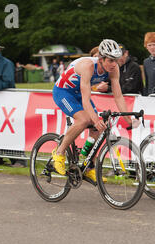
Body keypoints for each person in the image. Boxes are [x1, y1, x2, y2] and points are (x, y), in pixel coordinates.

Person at [52, 39, 133, 181]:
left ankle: (88, 165)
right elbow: (85, 99)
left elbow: (118, 96)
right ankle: (59, 152)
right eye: (110, 60)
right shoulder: (88, 66)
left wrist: (128, 119)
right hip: (64, 92)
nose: (114, 64)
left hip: (79, 93)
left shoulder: (113, 69)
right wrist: (94, 119)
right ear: (101, 58)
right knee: (84, 120)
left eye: (116, 60)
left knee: (99, 128)